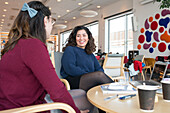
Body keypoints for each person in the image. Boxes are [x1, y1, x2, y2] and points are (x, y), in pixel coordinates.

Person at [0, 1, 91, 113]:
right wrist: (76, 112)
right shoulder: (33, 45)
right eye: (51, 21)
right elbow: (56, 90)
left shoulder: (15, 44)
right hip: (24, 109)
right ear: (45, 21)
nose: (51, 25)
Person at [61, 26, 113, 91]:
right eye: (78, 36)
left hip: (89, 80)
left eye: (84, 35)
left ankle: (116, 93)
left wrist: (92, 76)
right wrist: (91, 75)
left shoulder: (90, 53)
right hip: (75, 81)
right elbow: (70, 68)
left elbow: (99, 68)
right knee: (99, 76)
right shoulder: (70, 49)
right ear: (74, 38)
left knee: (100, 76)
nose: (81, 38)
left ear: (88, 38)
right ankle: (118, 90)